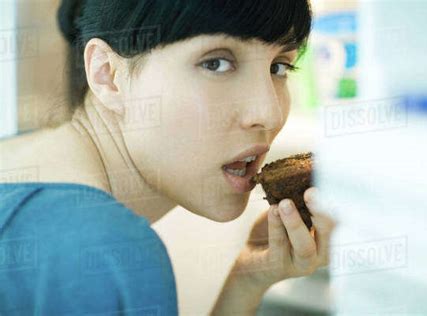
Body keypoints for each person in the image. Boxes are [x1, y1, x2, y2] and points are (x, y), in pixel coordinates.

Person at [0, 0, 336, 315]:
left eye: (279, 66)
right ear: (107, 74)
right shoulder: (106, 249)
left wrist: (249, 278)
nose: (268, 112)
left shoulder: (21, 164)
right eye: (215, 63)